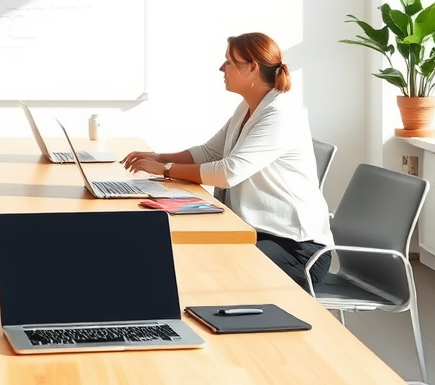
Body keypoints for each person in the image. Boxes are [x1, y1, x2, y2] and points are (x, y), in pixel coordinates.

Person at [123, 33, 333, 287]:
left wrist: (166, 170)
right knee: (184, 256)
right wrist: (159, 157)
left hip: (297, 250)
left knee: (207, 267)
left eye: (229, 62)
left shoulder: (280, 114)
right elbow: (211, 152)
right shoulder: (248, 107)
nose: (221, 68)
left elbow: (228, 173)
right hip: (255, 233)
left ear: (252, 68)